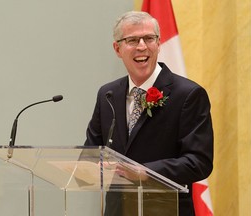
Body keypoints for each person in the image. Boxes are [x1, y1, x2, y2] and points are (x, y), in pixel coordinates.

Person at [84, 11, 213, 216]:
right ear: (117, 48)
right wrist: (92, 165)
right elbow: (91, 153)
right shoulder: (107, 95)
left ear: (159, 44)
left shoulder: (188, 94)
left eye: (148, 38)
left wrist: (146, 172)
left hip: (166, 210)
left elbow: (199, 163)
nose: (142, 46)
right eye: (132, 40)